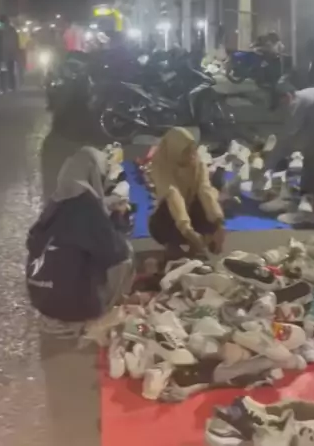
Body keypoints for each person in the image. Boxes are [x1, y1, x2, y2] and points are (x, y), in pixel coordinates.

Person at [26, 147, 133, 333]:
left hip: (41, 300)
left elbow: (32, 241)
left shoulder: (55, 203)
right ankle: (97, 315)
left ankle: (59, 312)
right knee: (126, 254)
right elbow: (116, 252)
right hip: (75, 306)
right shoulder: (87, 207)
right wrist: (118, 217)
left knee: (74, 253)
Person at [148, 127, 225, 257]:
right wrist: (187, 230)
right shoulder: (161, 165)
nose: (191, 155)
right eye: (186, 151)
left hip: (191, 205)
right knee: (165, 212)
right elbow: (173, 195)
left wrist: (218, 224)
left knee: (207, 203)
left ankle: (199, 243)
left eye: (192, 150)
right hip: (174, 213)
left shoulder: (197, 162)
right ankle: (173, 244)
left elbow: (204, 189)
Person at [0, 16, 19, 91]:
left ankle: (6, 86)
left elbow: (16, 42)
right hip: (7, 55)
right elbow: (16, 42)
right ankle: (9, 86)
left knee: (6, 71)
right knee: (7, 71)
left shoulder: (2, 30)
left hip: (5, 55)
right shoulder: (11, 30)